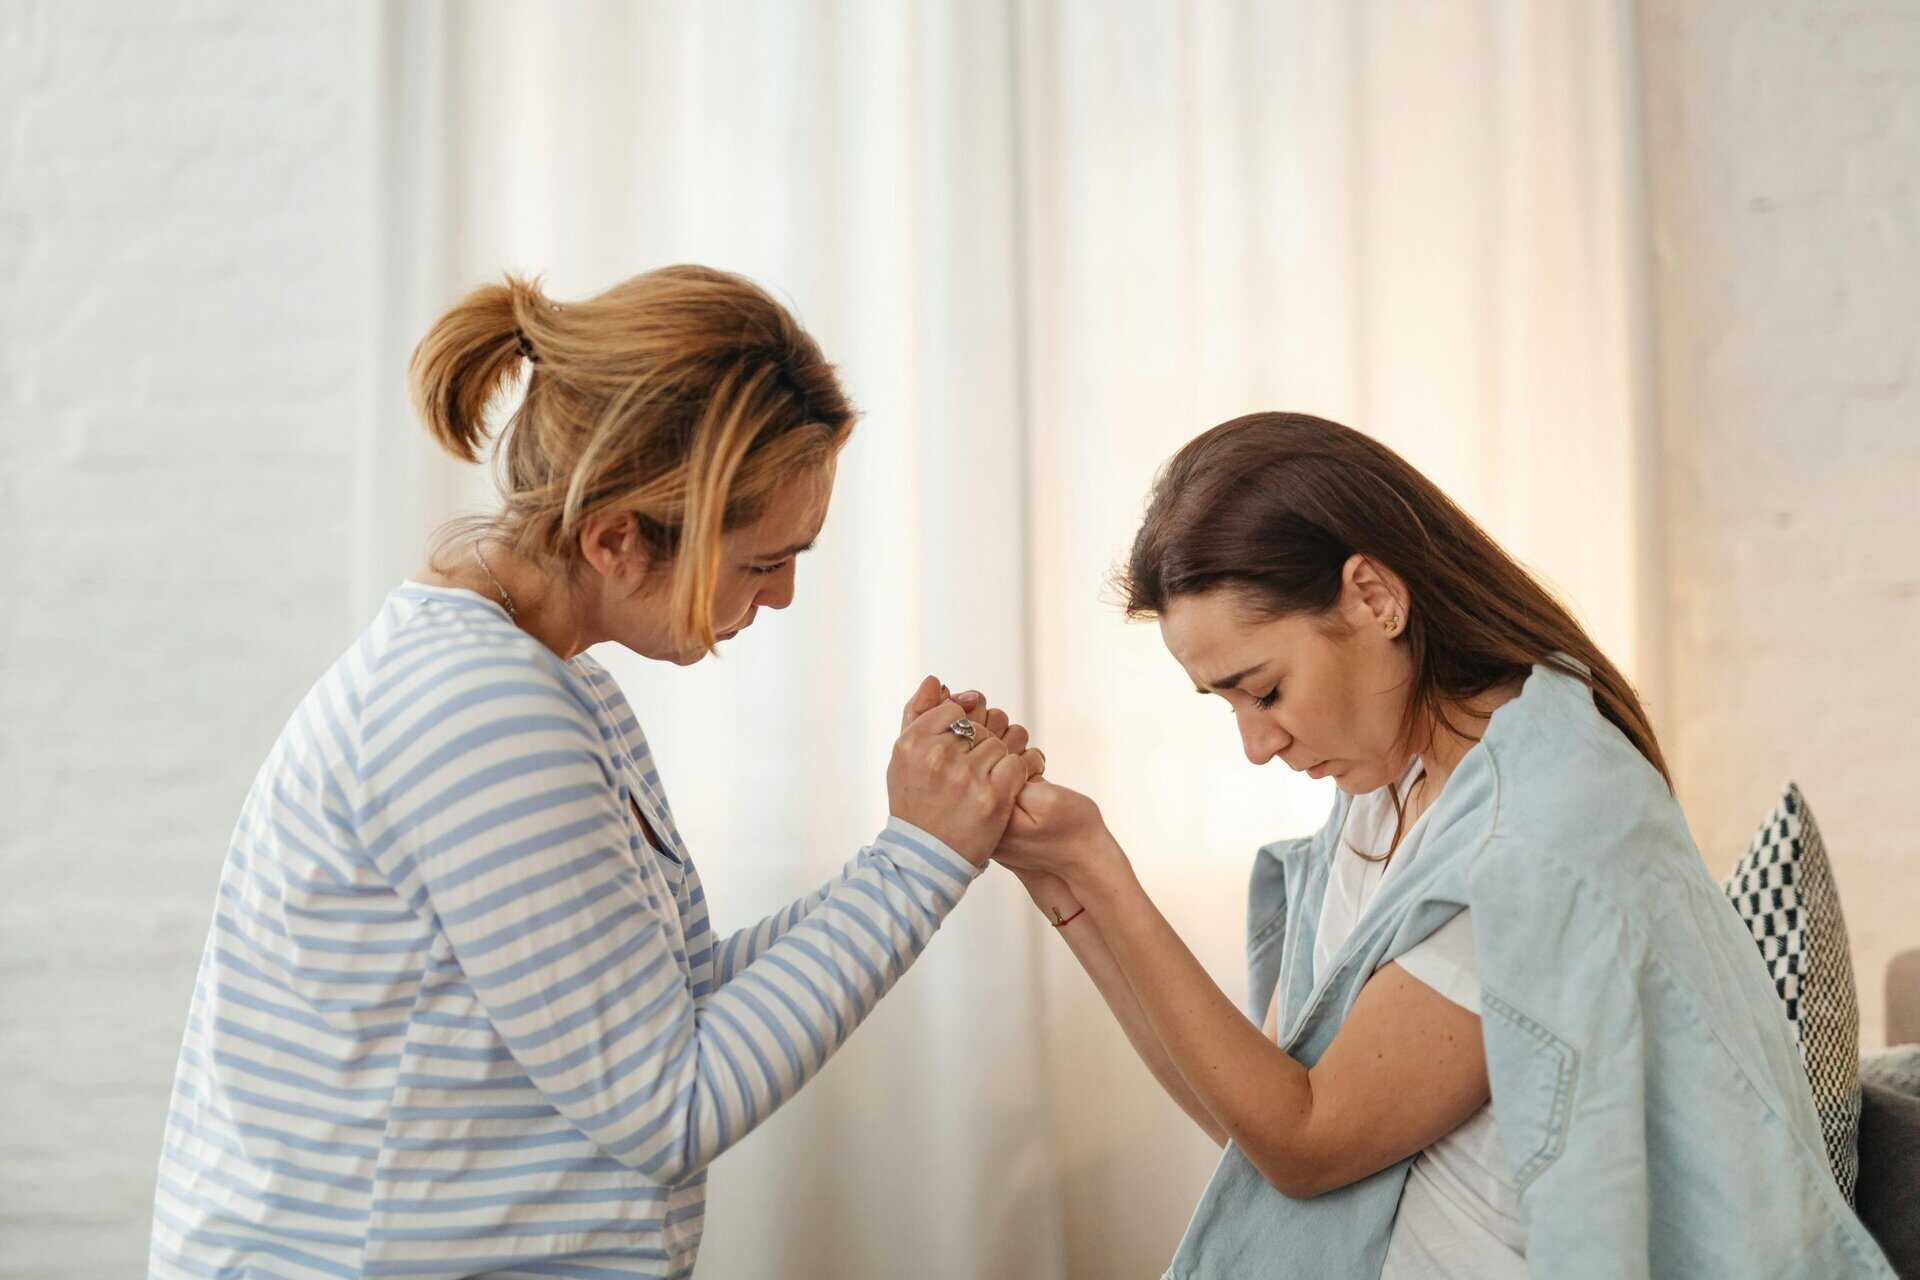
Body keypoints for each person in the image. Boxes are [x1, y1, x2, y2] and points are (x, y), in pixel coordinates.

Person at [149, 265, 1045, 1280]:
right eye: (761, 560)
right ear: (615, 537)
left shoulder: (543, 685)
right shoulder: (478, 711)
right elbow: (670, 1101)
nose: (787, 593)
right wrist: (918, 857)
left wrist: (921, 834)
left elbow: (677, 996)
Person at [992, 413, 1893, 1277]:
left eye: (1262, 690)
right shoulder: (1388, 792)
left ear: (1374, 598)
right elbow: (1254, 1131)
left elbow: (1309, 1139)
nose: (1256, 744)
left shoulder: (1539, 826)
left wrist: (1103, 875)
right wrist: (1069, 891)